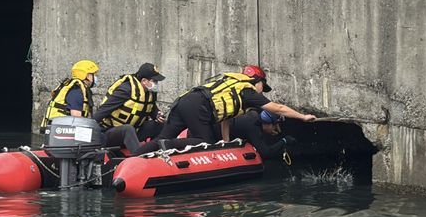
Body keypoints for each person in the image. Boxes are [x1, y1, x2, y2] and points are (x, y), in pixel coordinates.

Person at [134, 65, 315, 154]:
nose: (262, 91)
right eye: (263, 86)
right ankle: (169, 145)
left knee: (160, 138)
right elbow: (279, 108)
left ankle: (132, 158)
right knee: (205, 141)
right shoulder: (247, 92)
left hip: (184, 100)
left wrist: (226, 144)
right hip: (199, 107)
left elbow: (226, 118)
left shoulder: (231, 85)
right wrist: (302, 117)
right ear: (258, 82)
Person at [93, 63, 166, 154]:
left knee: (161, 125)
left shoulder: (149, 92)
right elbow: (104, 110)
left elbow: (151, 107)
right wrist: (89, 128)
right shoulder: (126, 90)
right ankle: (139, 158)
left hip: (134, 132)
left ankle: (157, 153)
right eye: (154, 81)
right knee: (128, 129)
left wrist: (157, 114)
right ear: (144, 81)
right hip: (111, 133)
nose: (156, 84)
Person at [40, 60, 99, 132]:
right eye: (93, 74)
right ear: (88, 76)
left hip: (58, 127)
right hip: (61, 129)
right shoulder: (76, 90)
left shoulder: (75, 87)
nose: (95, 77)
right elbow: (76, 117)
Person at [225, 109, 297, 159]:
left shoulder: (254, 115)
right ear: (268, 124)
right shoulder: (254, 129)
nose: (274, 129)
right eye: (274, 126)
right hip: (216, 135)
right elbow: (266, 153)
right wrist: (284, 141)